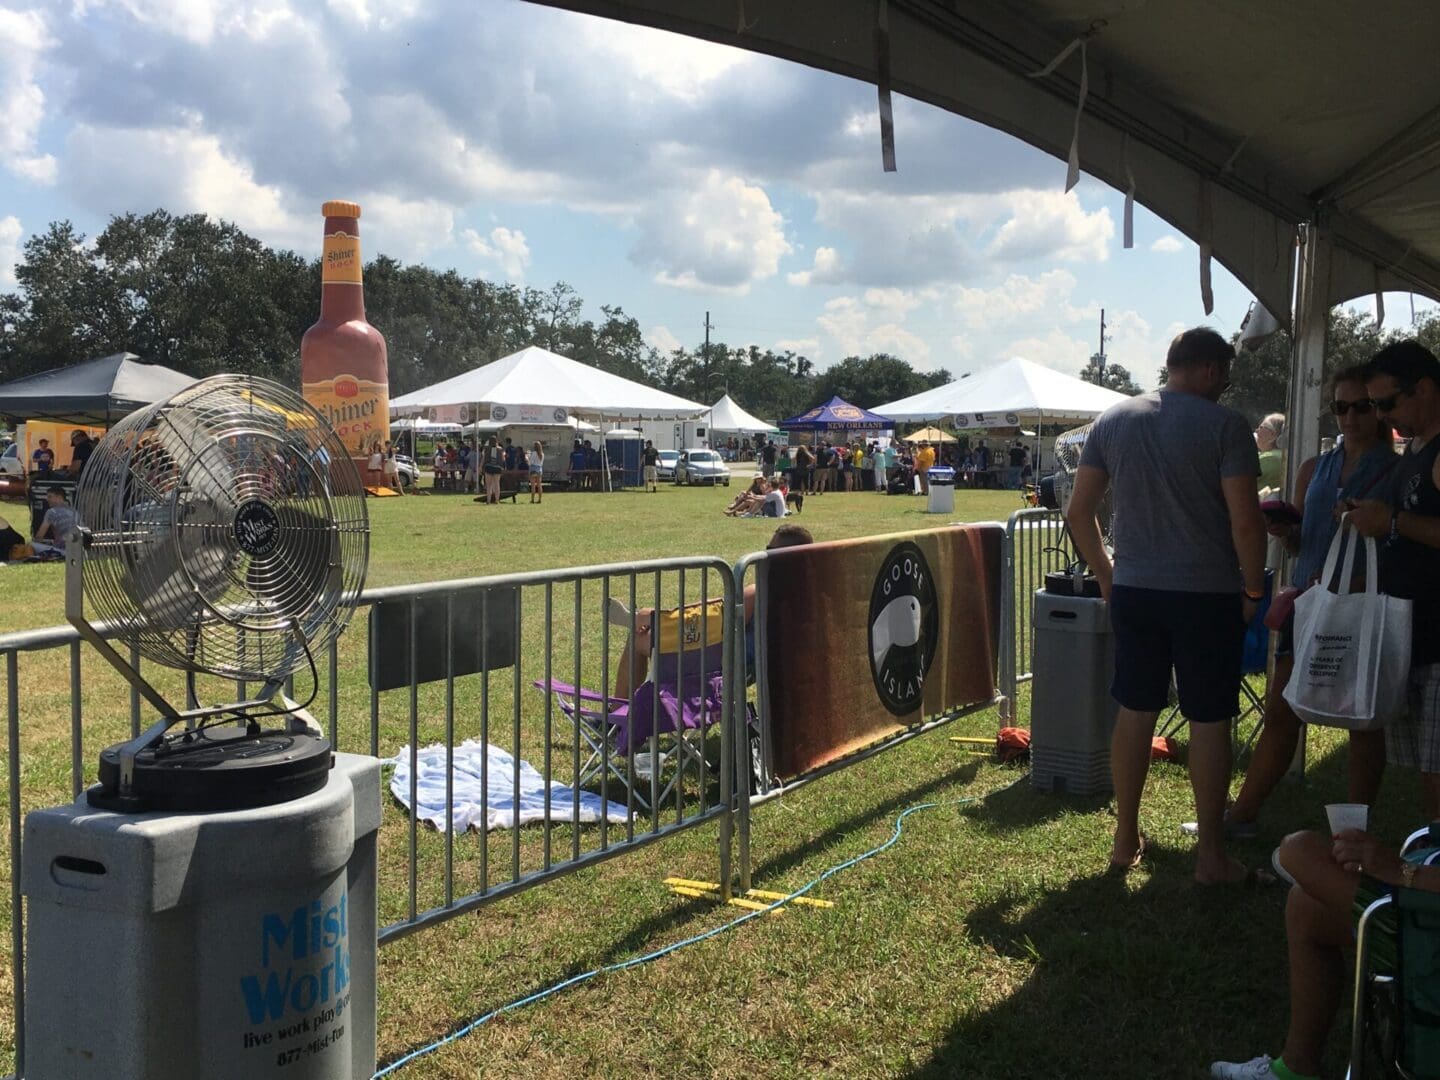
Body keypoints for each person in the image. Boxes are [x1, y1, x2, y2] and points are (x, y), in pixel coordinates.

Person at [1066, 327, 1267, 884]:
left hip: (1135, 590)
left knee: (1136, 710)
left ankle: (1124, 839)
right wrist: (1253, 590)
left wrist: (1108, 578)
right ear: (1206, 370)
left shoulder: (1114, 419)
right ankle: (1211, 856)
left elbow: (1078, 512)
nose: (1225, 384)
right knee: (1208, 718)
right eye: (1223, 373)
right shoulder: (1225, 426)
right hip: (1205, 594)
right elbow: (1246, 521)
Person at [1211, 366, 1397, 837]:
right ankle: (1243, 814)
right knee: (1281, 709)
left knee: (1363, 719)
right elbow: (1302, 540)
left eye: (1361, 406)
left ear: (1378, 411)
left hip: (1361, 605)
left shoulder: (1396, 470)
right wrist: (1286, 531)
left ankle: (1355, 829)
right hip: (1309, 604)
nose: (1350, 417)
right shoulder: (1314, 469)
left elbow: (1399, 546)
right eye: (1340, 407)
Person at [1208, 824, 1440, 1080]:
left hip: (1427, 936)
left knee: (1299, 850)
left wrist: (1402, 871)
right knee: (1305, 909)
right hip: (1424, 906)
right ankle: (1297, 1069)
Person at [1343, 341, 1440, 817]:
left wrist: (1393, 523)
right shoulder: (1416, 449)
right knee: (1427, 772)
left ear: (1423, 388)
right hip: (1415, 633)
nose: (1382, 417)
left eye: (1386, 403)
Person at [610, 523, 814, 699]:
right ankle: (647, 617)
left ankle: (617, 715)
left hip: (719, 670)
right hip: (759, 672)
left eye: (770, 550)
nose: (763, 556)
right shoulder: (811, 598)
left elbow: (709, 618)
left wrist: (653, 616)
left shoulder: (760, 592)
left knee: (638, 640)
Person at [31, 487, 80, 555]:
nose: (47, 499)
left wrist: (34, 547)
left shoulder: (51, 512)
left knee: (32, 545)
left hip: (64, 551)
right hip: (79, 549)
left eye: (50, 497)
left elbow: (40, 536)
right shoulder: (74, 511)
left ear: (59, 497)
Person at [1256, 413, 1287, 492]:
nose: (1257, 430)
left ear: (1273, 435)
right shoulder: (1283, 456)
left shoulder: (1270, 458)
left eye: (1262, 427)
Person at [478, 435, 505, 505]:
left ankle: (488, 500)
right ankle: (497, 500)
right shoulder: (500, 449)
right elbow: (503, 459)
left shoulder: (486, 448)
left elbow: (483, 459)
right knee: (497, 484)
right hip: (497, 467)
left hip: (488, 467)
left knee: (488, 485)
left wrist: (480, 467)